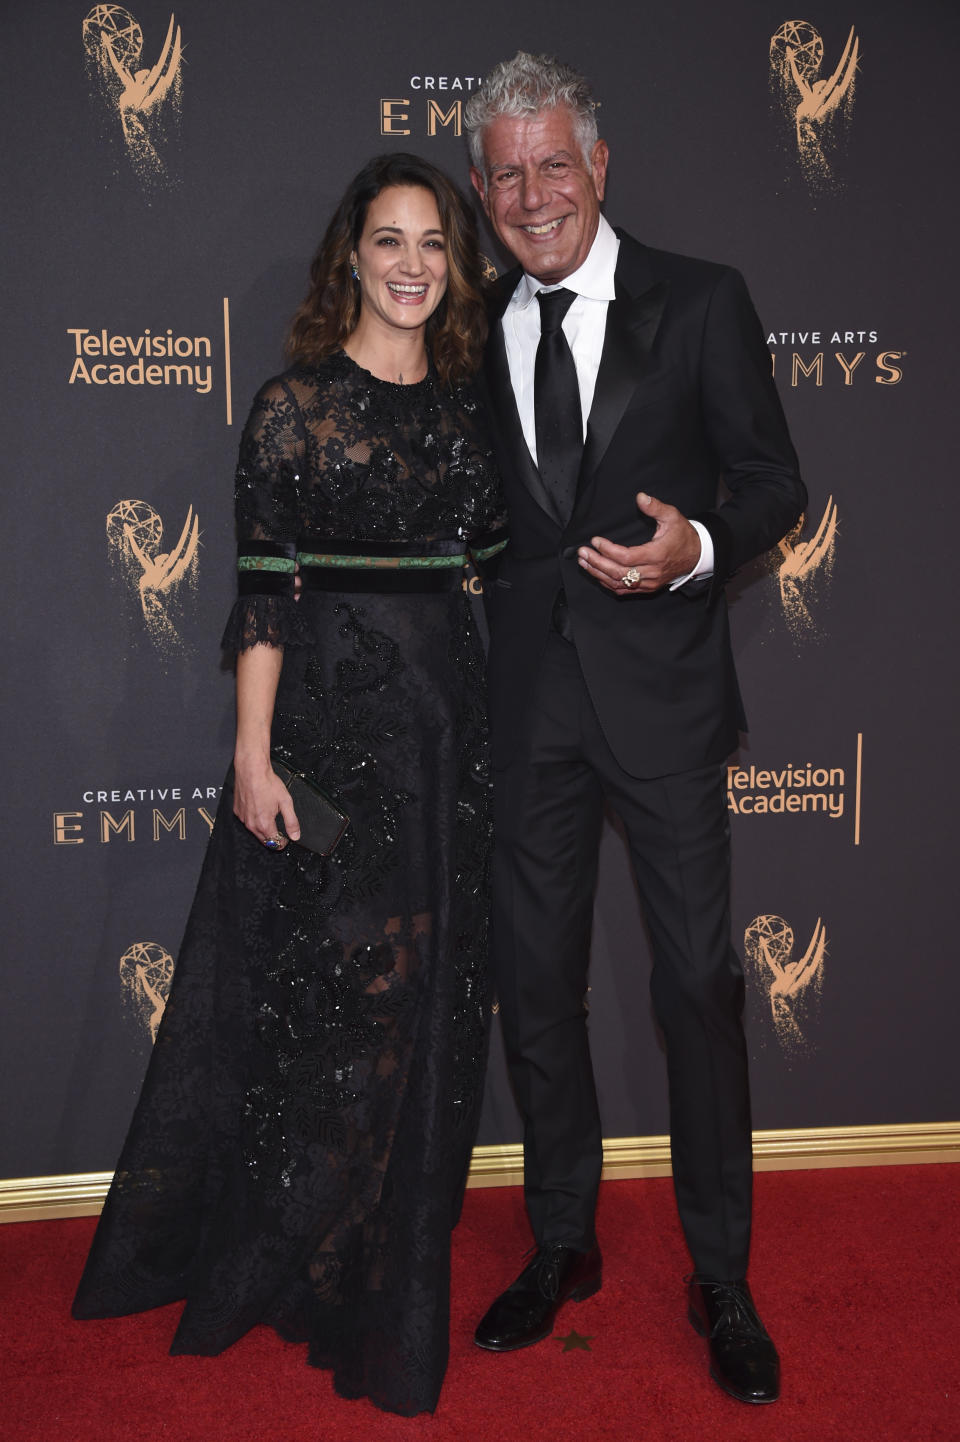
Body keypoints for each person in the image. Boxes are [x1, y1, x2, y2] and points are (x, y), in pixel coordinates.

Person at [72, 152, 505, 1418]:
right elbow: (263, 598)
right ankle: (297, 1244)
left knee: (425, 1009)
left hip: (444, 745)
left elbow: (487, 585)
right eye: (390, 240)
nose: (414, 265)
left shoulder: (469, 417)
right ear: (351, 258)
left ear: (453, 269)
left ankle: (380, 1252)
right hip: (326, 737)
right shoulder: (291, 410)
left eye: (434, 243)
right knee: (331, 1007)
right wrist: (254, 757)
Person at [463, 53, 806, 1405]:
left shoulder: (704, 299)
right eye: (508, 172)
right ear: (482, 191)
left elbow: (776, 479)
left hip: (663, 702)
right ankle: (563, 1242)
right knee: (539, 990)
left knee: (698, 996)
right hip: (528, 710)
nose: (535, 193)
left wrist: (699, 547)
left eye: (557, 163)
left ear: (600, 166)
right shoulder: (470, 325)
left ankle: (722, 1272)